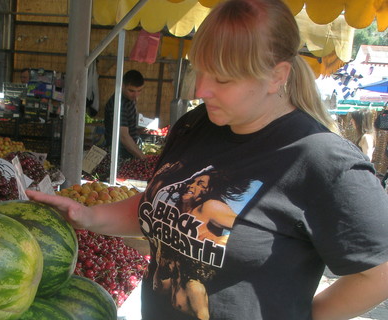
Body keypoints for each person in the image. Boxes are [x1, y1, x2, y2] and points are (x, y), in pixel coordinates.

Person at [27, 0, 388, 319]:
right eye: (200, 70)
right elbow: (164, 206)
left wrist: (307, 315)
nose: (202, 90)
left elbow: (379, 273)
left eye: (223, 79)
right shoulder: (195, 125)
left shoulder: (322, 160)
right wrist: (87, 216)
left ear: (277, 76)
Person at [104, 69, 146, 160]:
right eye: (131, 91)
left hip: (129, 152)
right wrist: (143, 157)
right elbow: (123, 136)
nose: (136, 95)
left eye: (139, 91)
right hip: (119, 155)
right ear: (122, 86)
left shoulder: (130, 100)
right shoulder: (118, 105)